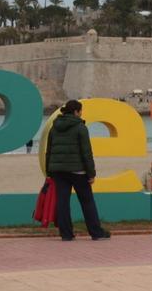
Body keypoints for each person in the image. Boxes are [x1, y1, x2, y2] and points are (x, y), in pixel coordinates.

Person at [45, 100, 110, 241]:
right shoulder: (80, 127)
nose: (81, 114)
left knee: (62, 202)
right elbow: (86, 153)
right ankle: (96, 232)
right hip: (78, 171)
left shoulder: (54, 127)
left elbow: (48, 151)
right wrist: (91, 173)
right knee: (87, 201)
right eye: (80, 111)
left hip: (58, 171)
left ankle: (66, 234)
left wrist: (49, 171)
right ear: (76, 112)